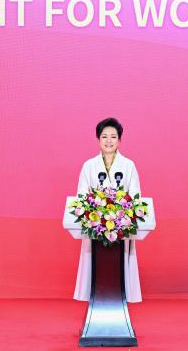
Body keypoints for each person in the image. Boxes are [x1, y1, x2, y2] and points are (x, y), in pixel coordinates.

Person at [73, 117, 143, 303]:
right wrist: (95, 209)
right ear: (98, 139)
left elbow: (135, 195)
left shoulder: (128, 165)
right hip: (95, 225)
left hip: (121, 226)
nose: (109, 141)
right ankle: (93, 296)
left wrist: (122, 210)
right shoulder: (89, 166)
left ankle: (121, 297)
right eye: (104, 136)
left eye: (113, 136)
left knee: (121, 262)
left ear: (119, 140)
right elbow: (81, 195)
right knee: (94, 262)